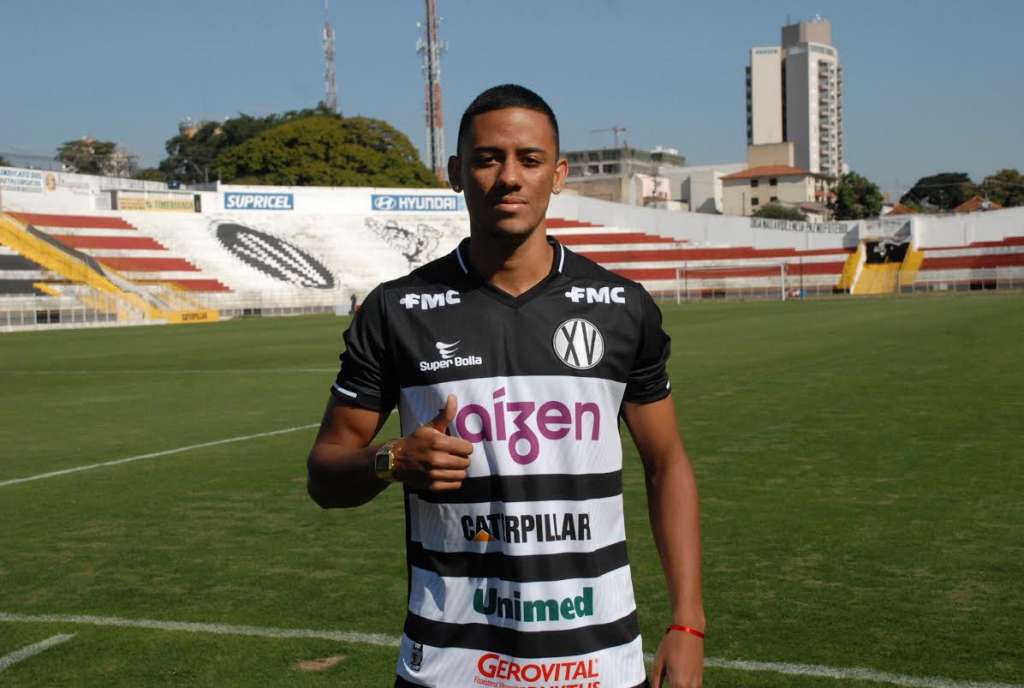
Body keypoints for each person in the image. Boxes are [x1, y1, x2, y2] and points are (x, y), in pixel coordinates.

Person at [307, 84, 704, 688]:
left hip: (598, 661)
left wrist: (688, 622)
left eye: (530, 159)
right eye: (488, 159)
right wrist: (389, 460)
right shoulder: (397, 311)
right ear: (456, 173)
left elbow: (666, 463)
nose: (509, 177)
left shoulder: (622, 307)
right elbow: (324, 473)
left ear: (559, 174)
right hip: (449, 665)